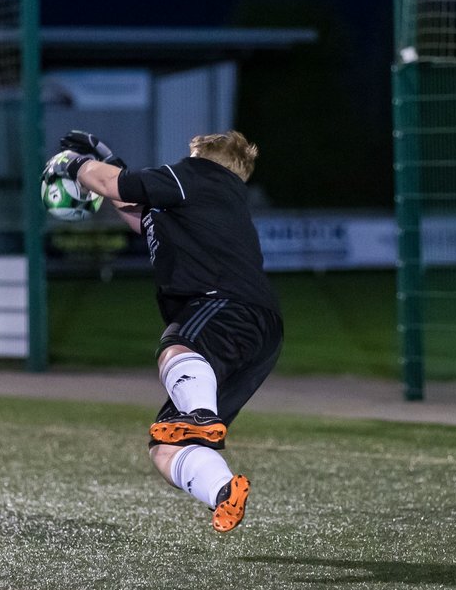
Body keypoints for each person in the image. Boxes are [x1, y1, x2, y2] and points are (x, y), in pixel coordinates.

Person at [46, 130, 283, 532]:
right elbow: (139, 208)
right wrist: (104, 154)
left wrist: (69, 164)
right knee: (165, 446)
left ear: (203, 157)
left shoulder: (199, 175)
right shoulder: (213, 199)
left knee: (176, 346)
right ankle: (223, 491)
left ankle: (202, 414)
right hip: (260, 331)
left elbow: (113, 186)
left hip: (223, 305)